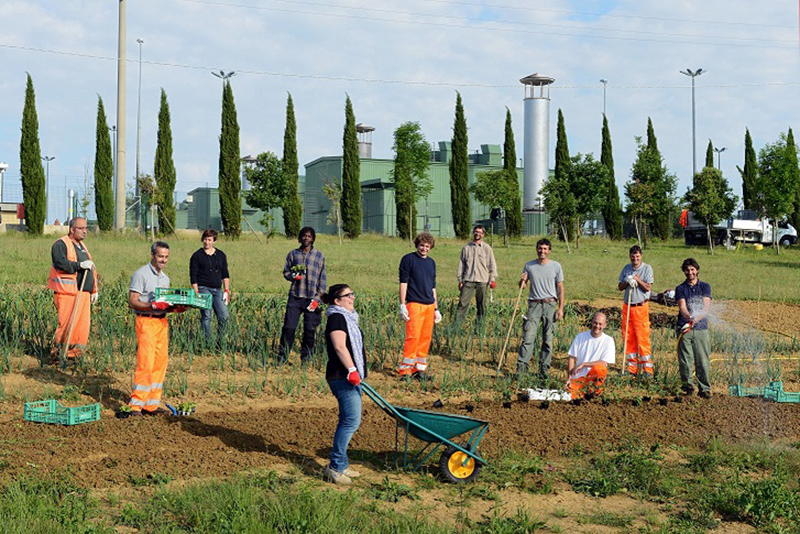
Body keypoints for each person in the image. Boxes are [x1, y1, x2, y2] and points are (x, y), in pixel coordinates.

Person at [127, 241, 186, 416]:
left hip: (162, 323)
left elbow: (164, 305)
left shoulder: (165, 279)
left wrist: (176, 308)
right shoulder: (141, 274)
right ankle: (136, 405)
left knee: (160, 363)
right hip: (146, 321)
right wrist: (152, 306)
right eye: (160, 256)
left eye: (166, 257)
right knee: (146, 363)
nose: (163, 260)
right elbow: (133, 301)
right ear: (152, 255)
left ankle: (151, 404)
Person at [322, 283, 366, 485]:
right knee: (351, 421)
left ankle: (342, 465)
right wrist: (351, 370)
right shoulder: (337, 318)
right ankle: (335, 468)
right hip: (342, 376)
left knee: (348, 420)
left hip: (350, 376)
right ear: (337, 301)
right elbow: (339, 346)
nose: (353, 297)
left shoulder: (348, 318)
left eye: (353, 293)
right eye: (348, 295)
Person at [48, 217, 98, 363]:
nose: (85, 231)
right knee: (66, 324)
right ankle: (59, 354)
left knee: (81, 327)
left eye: (86, 228)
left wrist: (94, 289)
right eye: (81, 228)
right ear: (72, 229)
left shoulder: (83, 247)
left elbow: (91, 270)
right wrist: (79, 265)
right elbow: (60, 263)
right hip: (67, 292)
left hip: (83, 293)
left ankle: (74, 355)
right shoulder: (61, 244)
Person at [517, 238, 565, 381]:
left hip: (550, 305)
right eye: (540, 248)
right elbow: (522, 287)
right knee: (528, 338)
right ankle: (521, 371)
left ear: (549, 251)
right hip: (534, 305)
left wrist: (560, 308)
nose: (542, 251)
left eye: (545, 249)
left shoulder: (556, 266)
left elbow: (560, 288)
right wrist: (522, 280)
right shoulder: (529, 266)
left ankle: (544, 371)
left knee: (548, 340)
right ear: (536, 249)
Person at [279, 227, 326, 364]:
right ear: (300, 238)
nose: (306, 238)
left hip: (312, 299)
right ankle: (282, 357)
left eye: (309, 236)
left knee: (310, 330)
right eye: (304, 236)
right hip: (295, 296)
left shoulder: (319, 256)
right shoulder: (293, 254)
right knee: (289, 328)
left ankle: (306, 358)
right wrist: (293, 276)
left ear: (313, 239)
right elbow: (286, 272)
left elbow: (322, 279)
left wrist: (318, 299)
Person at [398, 232, 441, 380]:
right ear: (417, 245)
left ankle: (420, 369)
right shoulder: (408, 260)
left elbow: (433, 286)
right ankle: (406, 371)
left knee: (425, 338)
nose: (424, 248)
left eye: (427, 246)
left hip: (429, 305)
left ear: (431, 247)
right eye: (422, 245)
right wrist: (402, 305)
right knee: (413, 337)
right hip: (414, 304)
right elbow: (403, 283)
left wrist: (436, 308)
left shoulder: (431, 263)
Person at [675, 258, 713, 399]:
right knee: (685, 359)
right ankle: (688, 387)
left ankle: (705, 388)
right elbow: (682, 307)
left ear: (697, 270)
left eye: (692, 269)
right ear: (684, 271)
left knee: (702, 359)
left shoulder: (705, 287)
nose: (690, 272)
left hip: (701, 329)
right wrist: (688, 318)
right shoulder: (680, 288)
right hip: (685, 329)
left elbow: (706, 307)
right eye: (687, 270)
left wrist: (696, 319)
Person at [618, 245, 654, 378]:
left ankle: (647, 369)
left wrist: (637, 280)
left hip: (641, 307)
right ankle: (632, 368)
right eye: (633, 256)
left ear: (641, 256)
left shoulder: (646, 268)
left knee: (642, 337)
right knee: (628, 336)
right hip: (627, 306)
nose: (635, 259)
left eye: (637, 256)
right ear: (630, 256)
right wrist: (627, 281)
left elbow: (648, 287)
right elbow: (620, 287)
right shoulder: (626, 269)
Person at [190, 229, 230, 344]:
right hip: (203, 288)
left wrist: (226, 290)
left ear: (214, 241)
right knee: (206, 315)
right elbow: (193, 275)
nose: (207, 242)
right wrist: (196, 292)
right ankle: (208, 342)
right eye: (205, 239)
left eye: (209, 240)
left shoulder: (221, 255)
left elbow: (225, 273)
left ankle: (221, 341)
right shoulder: (197, 256)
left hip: (217, 290)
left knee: (224, 316)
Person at [565, 312, 616, 400]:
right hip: (580, 377)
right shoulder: (580, 337)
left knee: (600, 369)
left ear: (605, 325)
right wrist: (569, 378)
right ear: (591, 322)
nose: (597, 326)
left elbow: (603, 362)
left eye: (600, 324)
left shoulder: (608, 341)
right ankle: (581, 392)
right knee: (571, 396)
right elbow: (572, 358)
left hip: (593, 378)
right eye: (595, 323)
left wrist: (584, 364)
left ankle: (595, 392)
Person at [456, 224, 497, 324]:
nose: (477, 234)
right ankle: (457, 326)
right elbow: (461, 265)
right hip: (468, 279)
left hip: (482, 280)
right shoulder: (466, 248)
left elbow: (492, 264)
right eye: (476, 231)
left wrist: (492, 279)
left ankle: (479, 327)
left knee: (481, 305)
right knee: (462, 303)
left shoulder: (487, 248)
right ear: (473, 233)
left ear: (483, 235)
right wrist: (460, 280)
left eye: (480, 232)